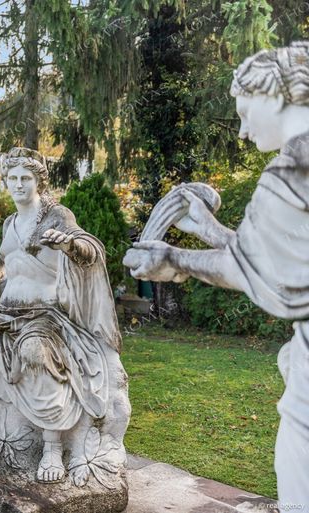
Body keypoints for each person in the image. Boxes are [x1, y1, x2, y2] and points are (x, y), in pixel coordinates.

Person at [124, 41, 309, 506]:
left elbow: (261, 275)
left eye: (245, 113)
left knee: (298, 479)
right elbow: (276, 254)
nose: (243, 131)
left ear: (273, 95)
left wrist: (174, 258)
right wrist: (207, 228)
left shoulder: (293, 168)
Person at [0, 147, 129, 485]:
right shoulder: (10, 222)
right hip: (2, 313)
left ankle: (52, 447)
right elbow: (3, 258)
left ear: (39, 182)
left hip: (44, 315)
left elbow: (90, 250)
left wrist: (69, 245)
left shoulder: (56, 215)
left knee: (35, 353)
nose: (18, 184)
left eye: (26, 178)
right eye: (13, 178)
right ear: (5, 181)